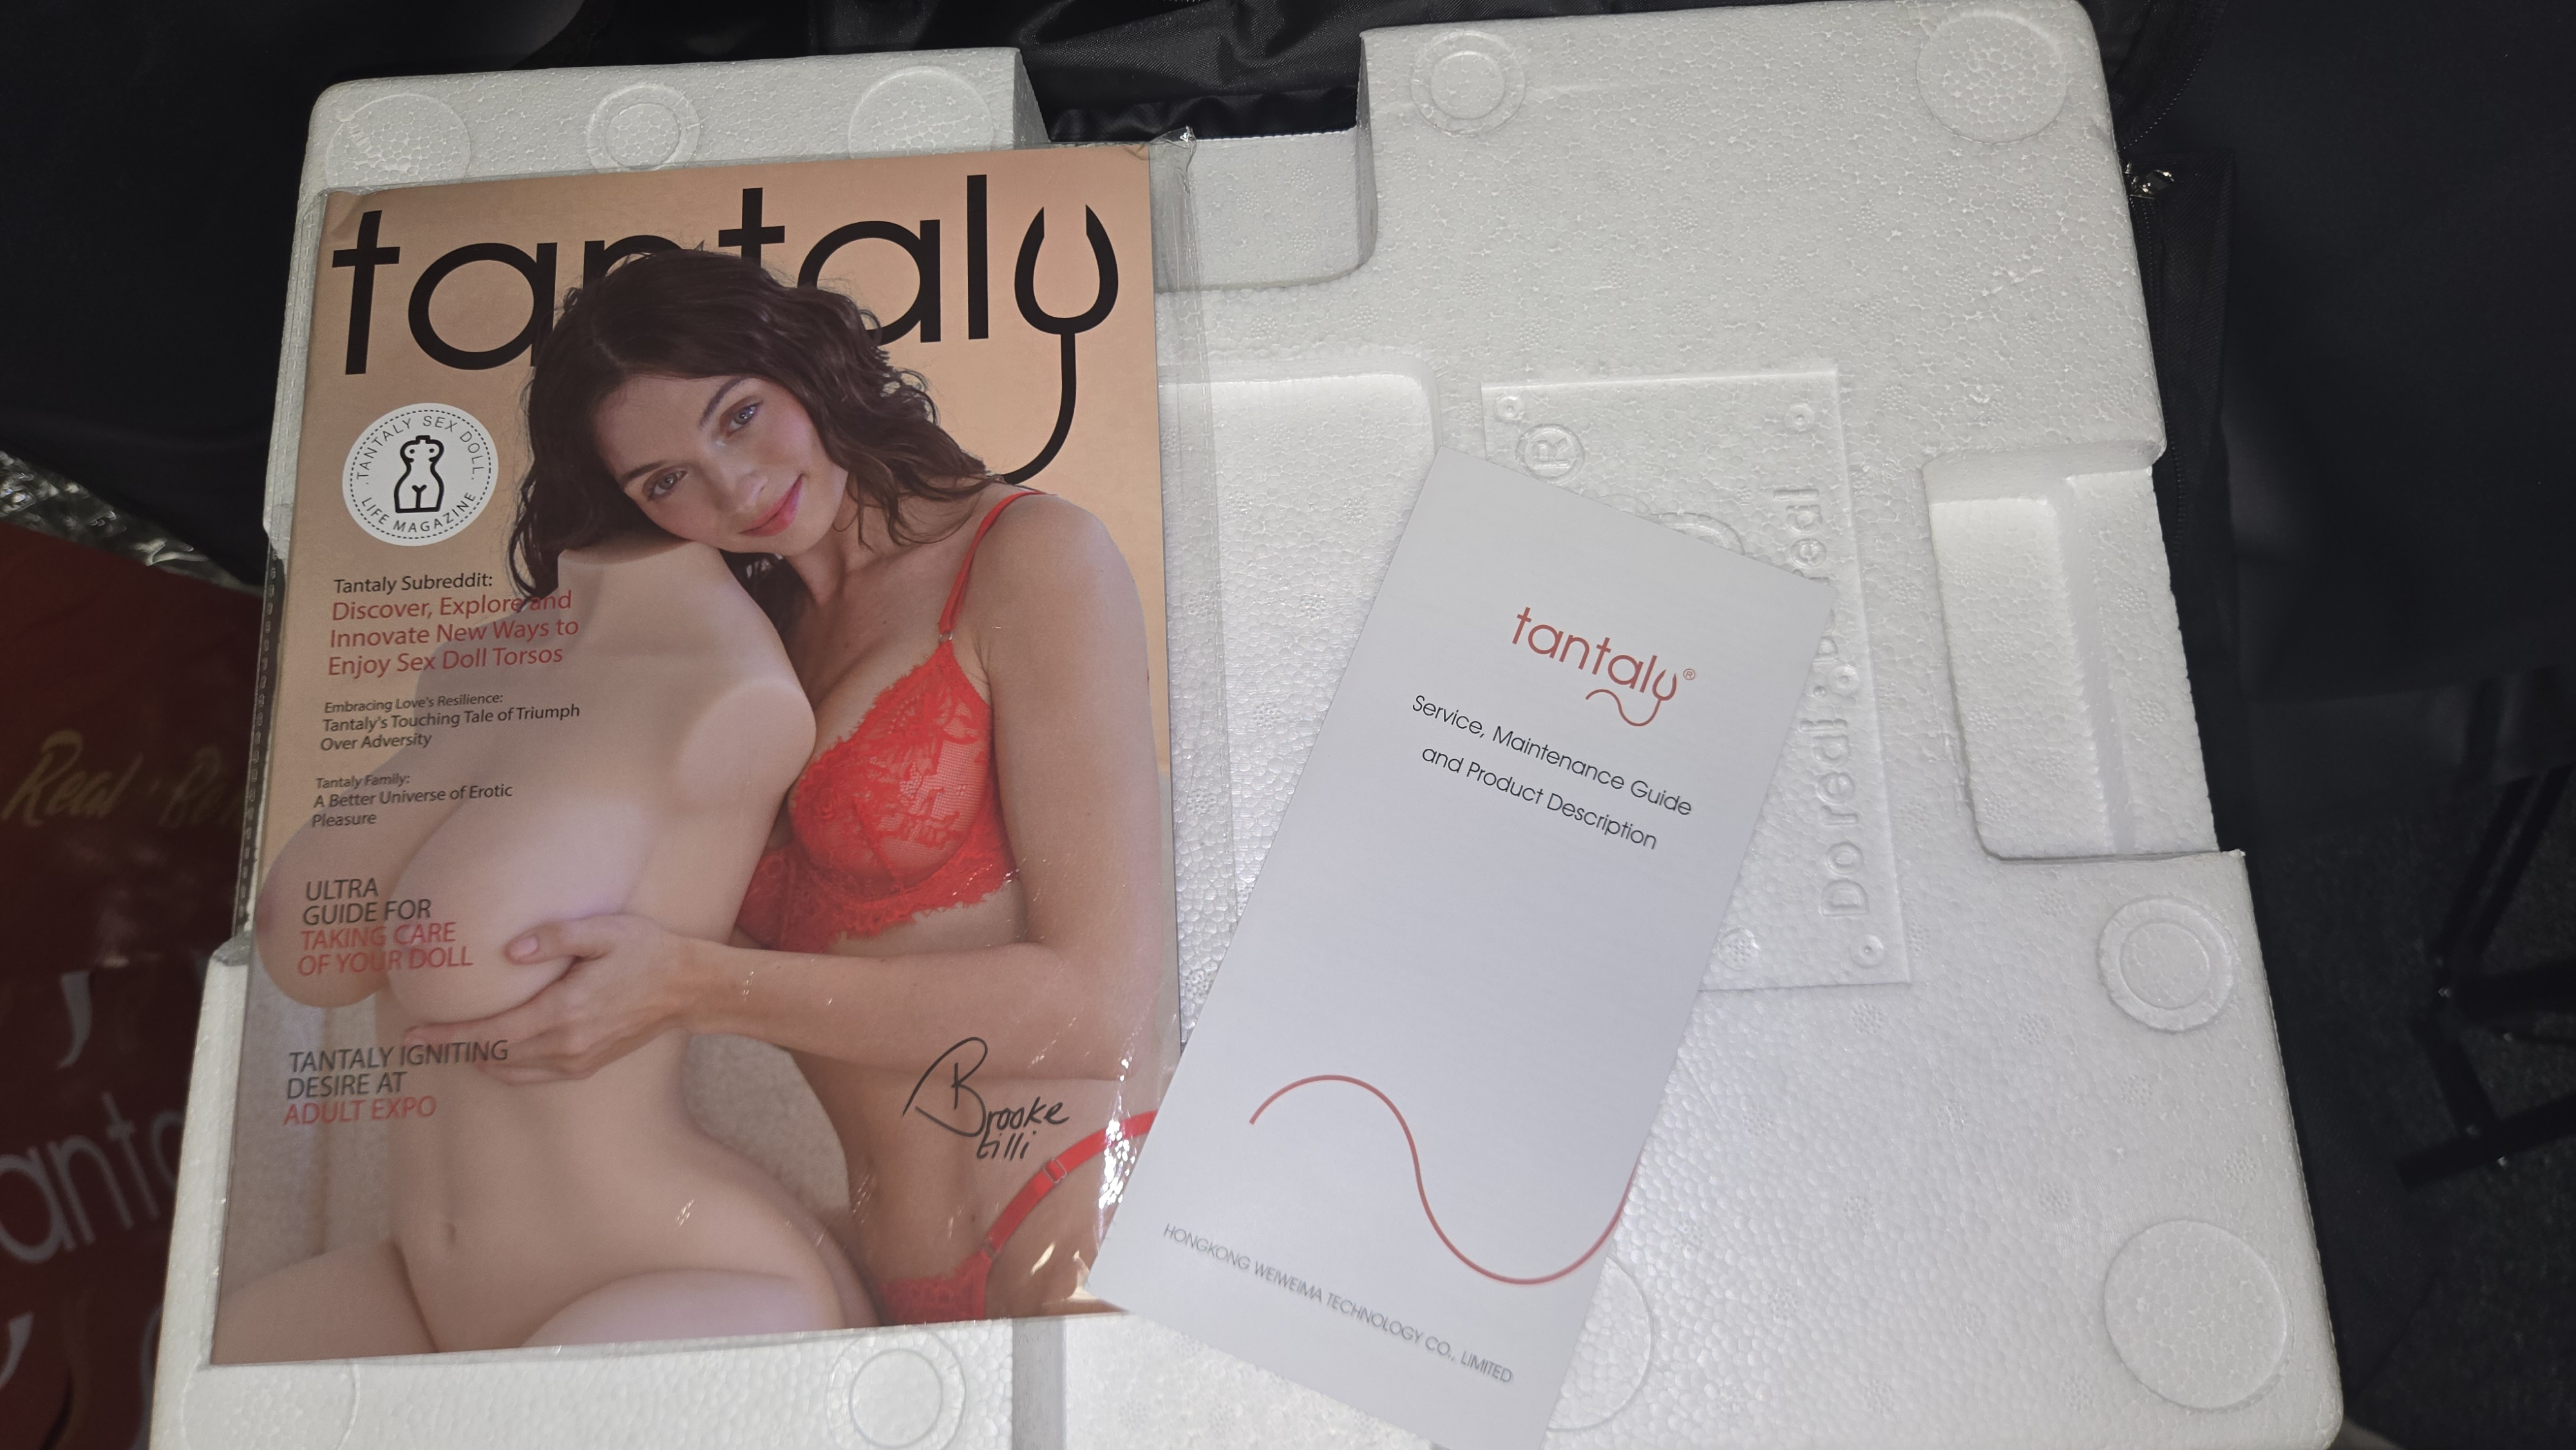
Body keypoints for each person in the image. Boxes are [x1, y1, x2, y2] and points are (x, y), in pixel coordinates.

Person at [408, 247, 1178, 1324]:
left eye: (739, 416)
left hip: (1079, 1210)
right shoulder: (748, 654)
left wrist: (695, 985)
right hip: (887, 1263)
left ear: (806, 366)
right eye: (665, 481)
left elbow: (1098, 1008)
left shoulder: (1028, 554)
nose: (734, 487)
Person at [218, 534, 868, 1361]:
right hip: (423, 1280)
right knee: (220, 1364)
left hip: (671, 1275)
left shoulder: (735, 688)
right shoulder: (470, 664)